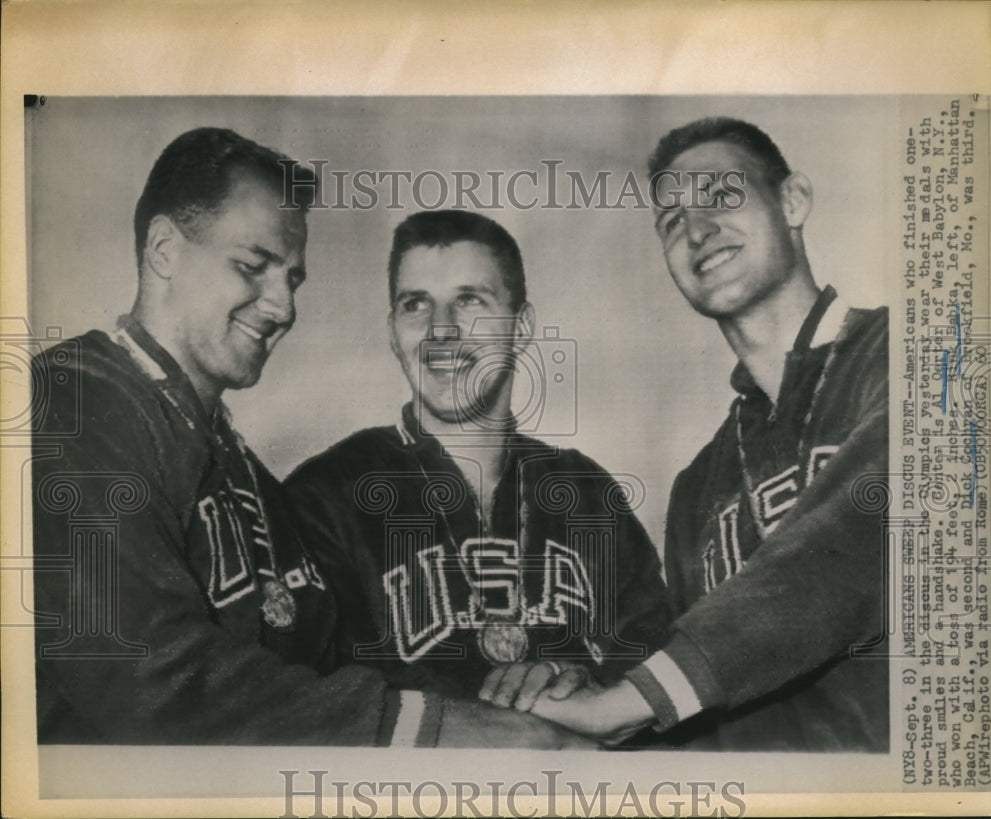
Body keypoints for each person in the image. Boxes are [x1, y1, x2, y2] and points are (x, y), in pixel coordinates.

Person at [31, 127, 588, 748]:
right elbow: (142, 678)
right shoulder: (75, 402)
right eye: (252, 266)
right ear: (164, 248)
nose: (282, 306)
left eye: (292, 279)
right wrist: (435, 729)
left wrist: (535, 689)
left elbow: (334, 676)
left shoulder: (242, 469)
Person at [495, 117, 889, 751]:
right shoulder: (699, 486)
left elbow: (861, 537)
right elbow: (690, 683)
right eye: (672, 222)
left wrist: (632, 700)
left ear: (793, 201)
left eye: (722, 196)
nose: (698, 229)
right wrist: (588, 681)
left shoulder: (911, 356)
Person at [285, 210, 672, 709]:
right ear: (391, 330)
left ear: (522, 324)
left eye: (469, 300)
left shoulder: (587, 491)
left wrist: (578, 674)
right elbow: (304, 697)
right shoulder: (326, 494)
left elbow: (656, 656)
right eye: (415, 304)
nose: (440, 329)